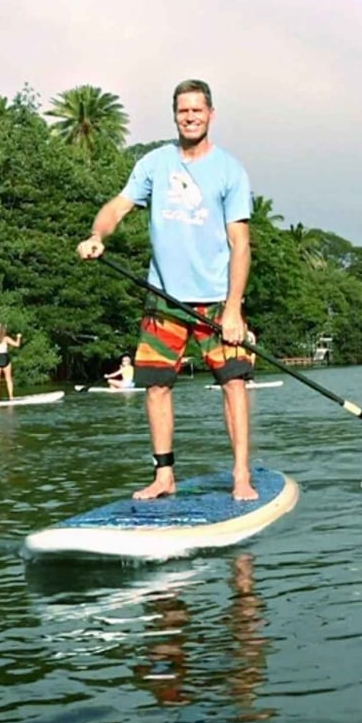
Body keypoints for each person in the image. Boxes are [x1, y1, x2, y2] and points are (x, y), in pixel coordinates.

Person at [77, 78, 257, 501]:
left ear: (211, 114)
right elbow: (117, 207)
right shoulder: (154, 164)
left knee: (233, 382)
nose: (190, 117)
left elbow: (241, 244)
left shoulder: (230, 170)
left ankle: (242, 476)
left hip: (215, 301)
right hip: (163, 299)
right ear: (174, 115)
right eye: (182, 110)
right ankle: (164, 476)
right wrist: (97, 234)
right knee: (156, 385)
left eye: (197, 110)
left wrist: (233, 310)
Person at [0, 324, 23, 402]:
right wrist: (18, 337)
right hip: (5, 358)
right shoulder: (6, 338)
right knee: (8, 379)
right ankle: (11, 397)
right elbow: (17, 345)